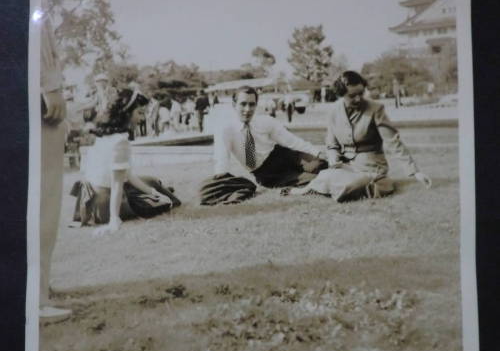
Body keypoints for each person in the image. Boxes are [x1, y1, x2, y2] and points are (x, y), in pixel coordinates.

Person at [286, 71, 431, 201]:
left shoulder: (376, 109)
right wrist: (333, 161)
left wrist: (415, 172)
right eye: (352, 96)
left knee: (351, 184)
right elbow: (332, 144)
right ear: (341, 94)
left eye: (361, 93)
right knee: (326, 174)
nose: (358, 99)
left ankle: (323, 189)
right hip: (346, 166)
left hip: (372, 168)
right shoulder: (333, 112)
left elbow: (393, 141)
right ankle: (312, 189)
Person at [71, 88, 181, 233]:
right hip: (104, 205)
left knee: (153, 182)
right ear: (126, 113)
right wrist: (114, 220)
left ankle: (159, 191)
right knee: (166, 203)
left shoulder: (103, 134)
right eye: (139, 113)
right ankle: (161, 196)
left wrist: (153, 191)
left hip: (90, 203)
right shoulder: (120, 141)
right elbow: (117, 184)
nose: (142, 119)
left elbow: (126, 175)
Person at [199, 86, 327, 205]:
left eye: (251, 104)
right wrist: (221, 181)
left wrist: (317, 152)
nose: (247, 109)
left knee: (321, 164)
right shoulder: (225, 129)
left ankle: (340, 169)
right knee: (314, 179)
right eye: (243, 104)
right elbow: (222, 157)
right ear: (234, 105)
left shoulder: (265, 121)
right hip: (267, 173)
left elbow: (291, 141)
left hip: (284, 155)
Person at [39, 0, 71, 321]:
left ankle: (38, 285)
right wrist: (50, 85)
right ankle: (35, 295)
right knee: (43, 196)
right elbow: (34, 30)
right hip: (32, 96)